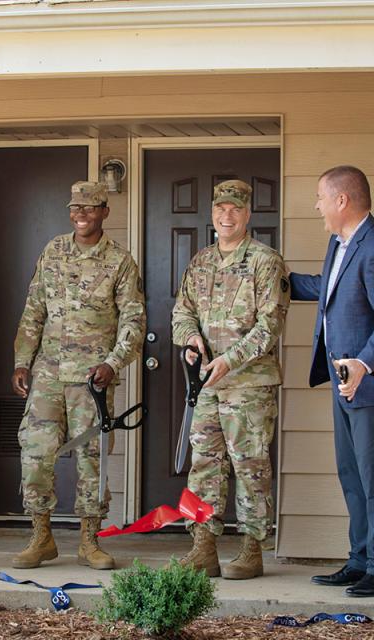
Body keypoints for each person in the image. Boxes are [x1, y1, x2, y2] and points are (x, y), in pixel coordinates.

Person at [11, 181, 146, 571]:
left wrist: (114, 363)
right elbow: (34, 309)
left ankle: (89, 540)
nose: (81, 214)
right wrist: (22, 361)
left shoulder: (120, 261)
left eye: (90, 208)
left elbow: (134, 322)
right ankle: (41, 536)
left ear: (105, 211)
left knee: (92, 458)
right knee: (35, 454)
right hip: (48, 375)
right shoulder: (53, 251)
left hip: (93, 379)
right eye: (75, 208)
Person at [171, 179, 290, 580]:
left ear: (247, 215)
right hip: (207, 384)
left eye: (235, 209)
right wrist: (189, 338)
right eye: (221, 208)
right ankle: (203, 547)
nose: (227, 215)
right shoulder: (200, 262)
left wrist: (229, 359)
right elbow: (182, 311)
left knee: (250, 465)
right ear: (211, 213)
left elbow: (270, 325)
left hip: (249, 385)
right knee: (204, 464)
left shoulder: (264, 261)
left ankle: (251, 549)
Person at [290, 166, 374, 597]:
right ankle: (360, 560)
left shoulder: (373, 245)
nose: (317, 205)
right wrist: (275, 279)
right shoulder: (339, 243)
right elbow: (328, 289)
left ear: (342, 200)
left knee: (371, 477)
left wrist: (363, 363)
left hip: (367, 385)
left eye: (321, 197)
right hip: (343, 384)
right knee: (350, 474)